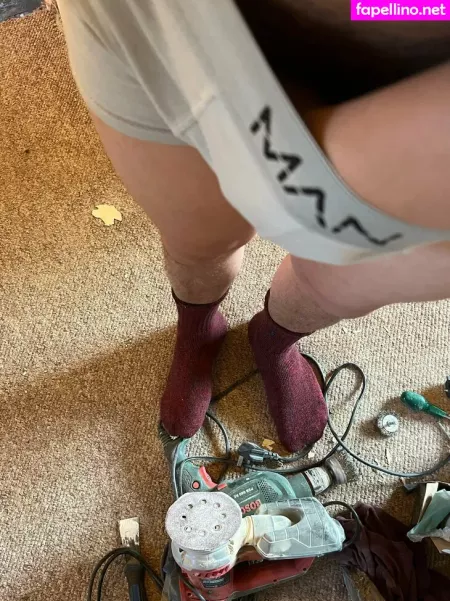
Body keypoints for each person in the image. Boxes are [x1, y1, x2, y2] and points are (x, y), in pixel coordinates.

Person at [57, 0, 450, 452]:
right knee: (197, 239)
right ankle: (199, 326)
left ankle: (273, 340)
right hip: (176, 18)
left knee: (337, 286)